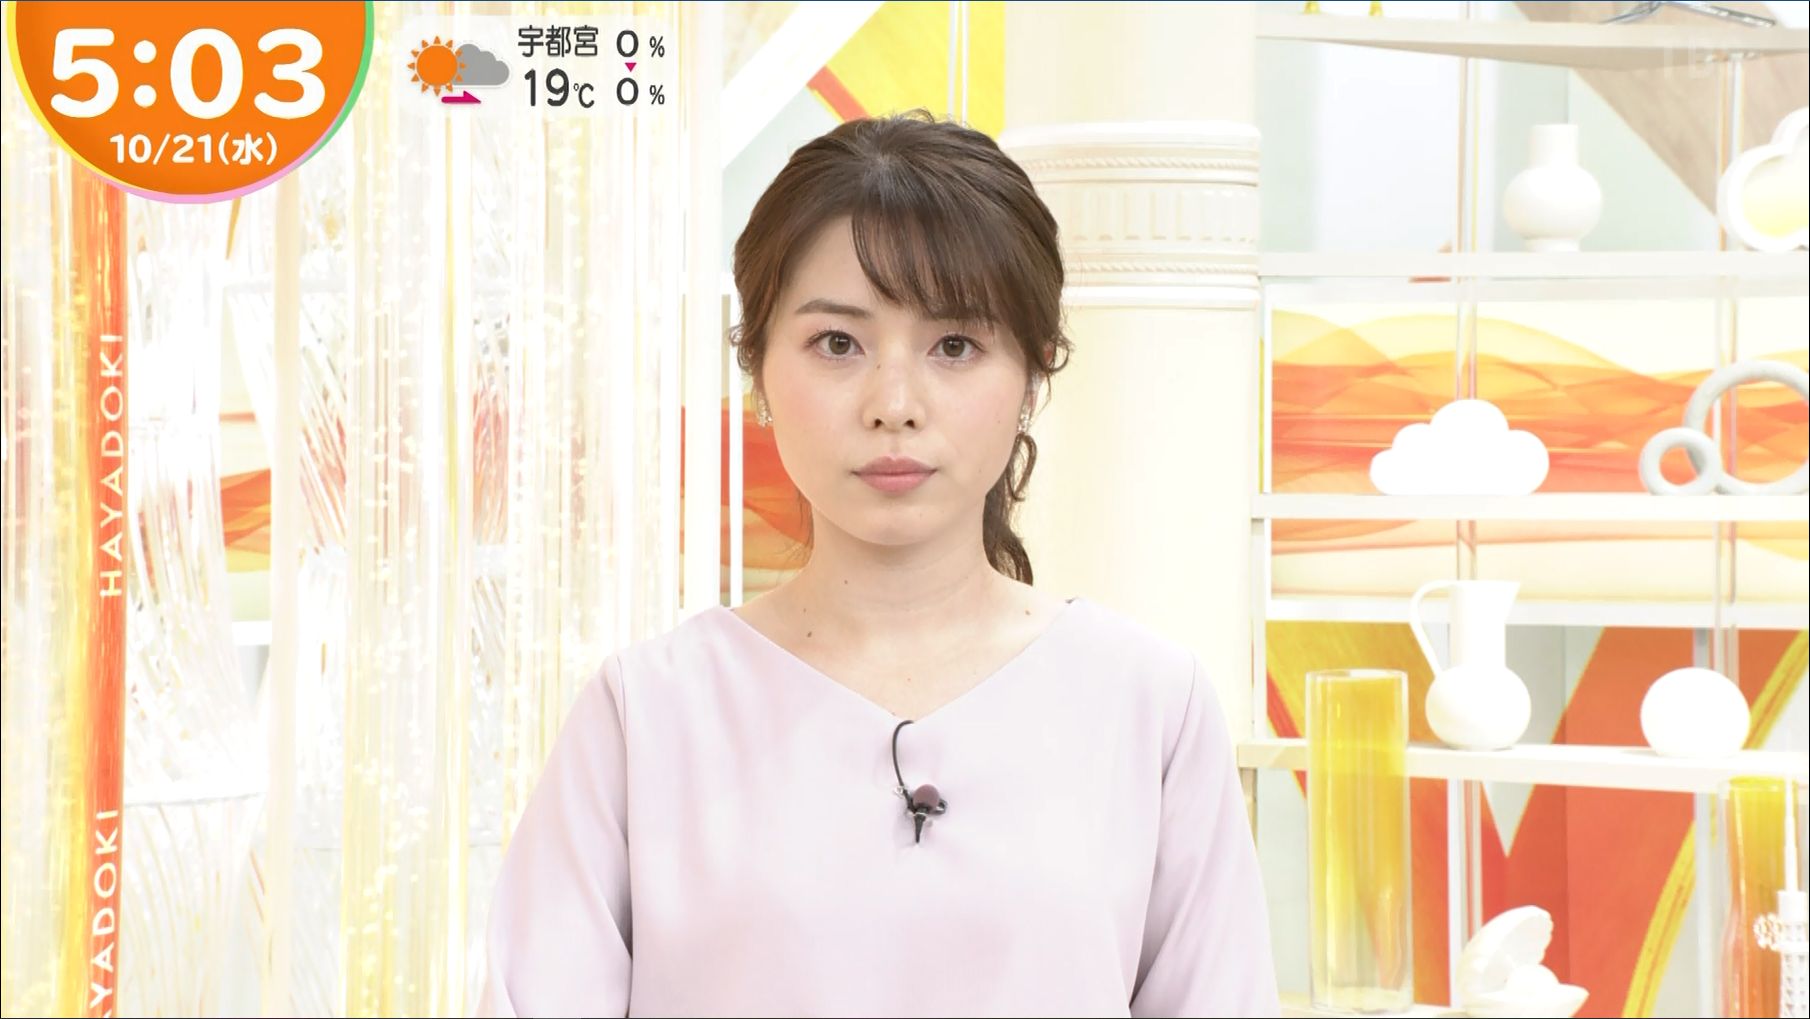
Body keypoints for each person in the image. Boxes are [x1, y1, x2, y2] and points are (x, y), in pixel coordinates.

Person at [476, 109, 1278, 1018]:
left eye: (955, 345)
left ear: (1033, 374)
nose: (894, 403)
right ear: (758, 369)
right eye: (838, 343)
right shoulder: (646, 714)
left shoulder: (1150, 705)